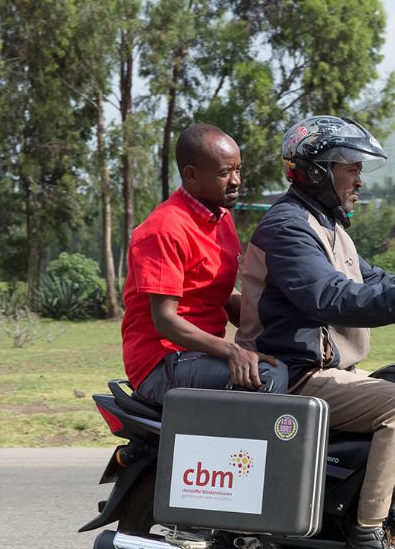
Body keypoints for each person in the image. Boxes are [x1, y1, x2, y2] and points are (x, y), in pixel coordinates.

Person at [236, 115, 395, 549]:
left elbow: (374, 279)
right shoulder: (287, 227)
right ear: (318, 169)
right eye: (351, 168)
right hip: (294, 372)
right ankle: (367, 537)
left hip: (327, 369)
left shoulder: (329, 226)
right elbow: (330, 296)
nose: (359, 179)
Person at [121, 123, 287, 404]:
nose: (235, 180)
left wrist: (281, 320)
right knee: (269, 376)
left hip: (201, 355)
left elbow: (222, 294)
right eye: (224, 173)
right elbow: (165, 319)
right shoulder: (164, 229)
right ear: (192, 175)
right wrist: (232, 351)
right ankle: (238, 450)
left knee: (290, 361)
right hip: (162, 362)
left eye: (237, 170)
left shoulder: (221, 219)